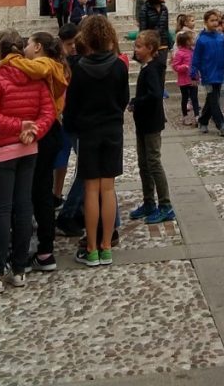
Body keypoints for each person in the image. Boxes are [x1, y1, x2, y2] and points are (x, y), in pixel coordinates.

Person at [0, 32, 55, 294]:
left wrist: (20, 127)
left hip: (3, 149)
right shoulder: (36, 78)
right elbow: (48, 112)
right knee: (24, 207)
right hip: (29, 148)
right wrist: (33, 131)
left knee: (3, 210)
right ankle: (19, 270)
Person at [63, 16, 129, 268]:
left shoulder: (79, 68)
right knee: (108, 188)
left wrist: (72, 126)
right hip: (112, 130)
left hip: (88, 131)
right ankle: (106, 246)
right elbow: (123, 99)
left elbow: (72, 105)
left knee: (90, 189)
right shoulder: (119, 66)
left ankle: (91, 249)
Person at [20, 32, 70, 273]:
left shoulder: (45, 65)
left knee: (37, 191)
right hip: (50, 131)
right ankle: (44, 248)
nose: (25, 48)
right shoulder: (56, 66)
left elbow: (36, 69)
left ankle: (42, 248)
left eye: (28, 44)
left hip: (44, 131)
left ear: (38, 47)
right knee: (41, 191)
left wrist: (9, 60)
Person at [128, 30, 175, 222]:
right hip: (143, 122)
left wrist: (136, 102)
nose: (135, 50)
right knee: (143, 163)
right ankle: (149, 202)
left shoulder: (153, 68)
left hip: (152, 122)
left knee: (153, 163)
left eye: (139, 46)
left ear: (150, 48)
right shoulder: (147, 66)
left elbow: (155, 94)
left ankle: (165, 205)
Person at [190, 10, 224, 136]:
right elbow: (196, 58)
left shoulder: (220, 38)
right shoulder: (201, 39)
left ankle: (203, 120)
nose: (215, 23)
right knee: (214, 99)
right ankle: (221, 125)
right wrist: (193, 73)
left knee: (211, 99)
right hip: (207, 74)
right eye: (212, 20)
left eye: (216, 20)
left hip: (219, 73)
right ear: (205, 22)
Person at [171, 30, 199, 126]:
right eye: (192, 39)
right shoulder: (179, 53)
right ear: (187, 41)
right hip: (184, 81)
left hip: (193, 79)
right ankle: (185, 116)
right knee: (185, 98)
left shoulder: (193, 51)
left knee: (194, 98)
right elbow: (175, 66)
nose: (194, 40)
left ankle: (197, 116)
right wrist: (184, 67)